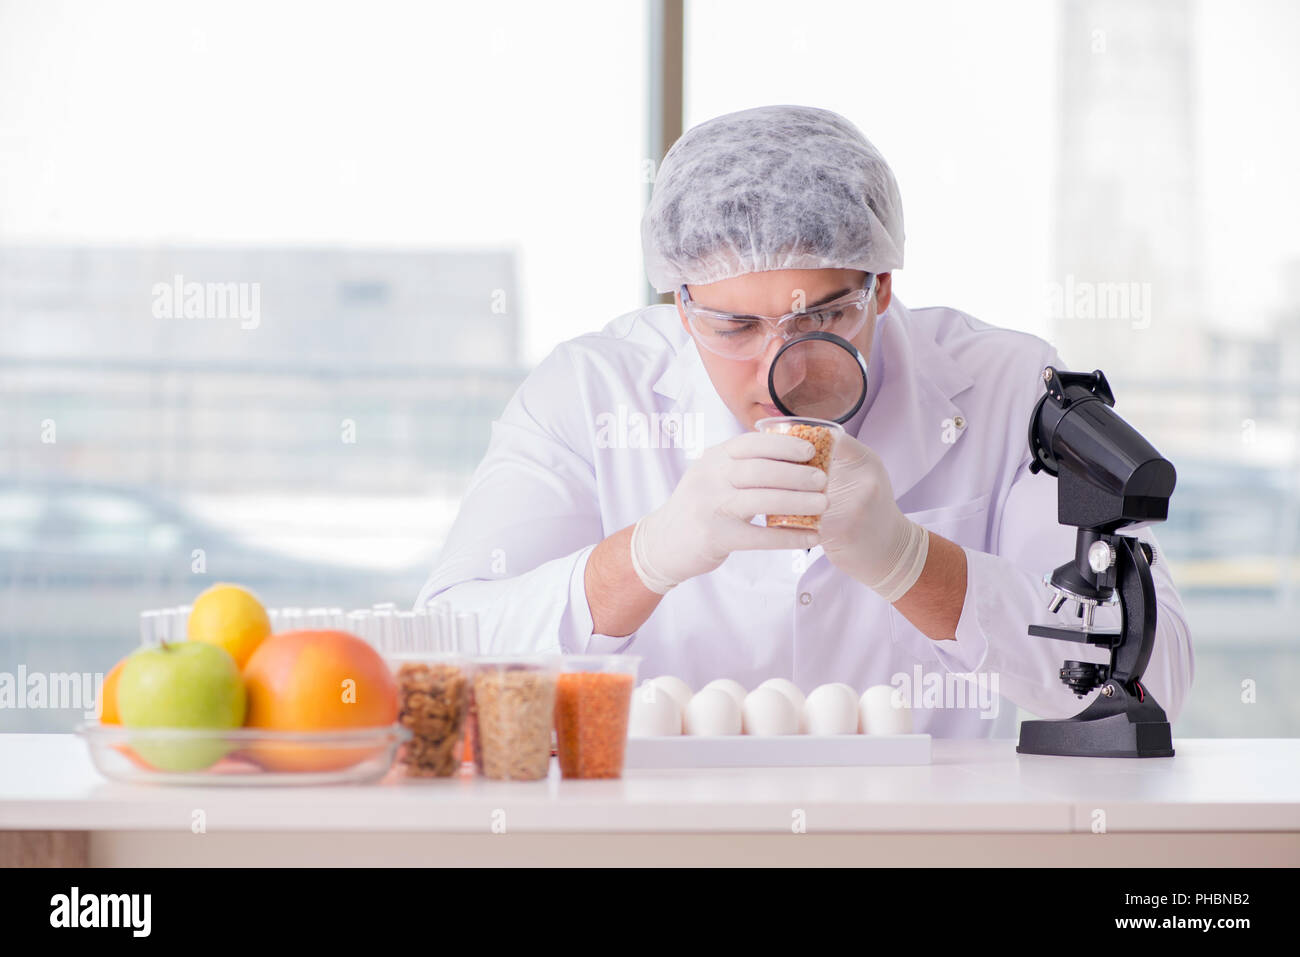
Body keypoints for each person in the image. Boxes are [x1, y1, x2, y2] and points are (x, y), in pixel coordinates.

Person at [417, 104, 1192, 736]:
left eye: (820, 318)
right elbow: (447, 651)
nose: (779, 368)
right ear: (679, 304)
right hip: (653, 842)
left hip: (927, 842)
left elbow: (1157, 679)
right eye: (733, 327)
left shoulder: (1006, 387)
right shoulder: (590, 393)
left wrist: (914, 562)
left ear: (881, 286)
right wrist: (646, 556)